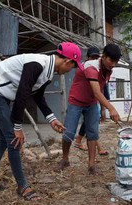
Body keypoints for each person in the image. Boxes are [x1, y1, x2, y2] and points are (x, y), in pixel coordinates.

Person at [0, 42, 83, 200]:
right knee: (14, 140)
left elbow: (38, 96)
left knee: (4, 140)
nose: (70, 71)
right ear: (67, 62)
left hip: (2, 94)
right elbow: (22, 94)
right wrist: (17, 126)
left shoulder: (48, 72)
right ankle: (22, 186)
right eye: (72, 67)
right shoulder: (36, 65)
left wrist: (52, 118)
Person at [55, 44, 122, 175]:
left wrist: (102, 109)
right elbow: (97, 92)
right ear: (103, 57)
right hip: (76, 101)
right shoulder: (91, 67)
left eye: (116, 61)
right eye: (111, 60)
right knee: (68, 132)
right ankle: (65, 159)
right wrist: (111, 109)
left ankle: (91, 165)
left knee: (93, 133)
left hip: (91, 103)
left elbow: (101, 88)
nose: (113, 64)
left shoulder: (108, 69)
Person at [74, 46, 109, 155]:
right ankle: (98, 148)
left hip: (94, 101)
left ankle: (79, 140)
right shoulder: (84, 68)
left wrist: (103, 108)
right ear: (87, 58)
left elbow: (102, 89)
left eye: (96, 58)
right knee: (91, 124)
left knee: (90, 123)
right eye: (92, 57)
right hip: (84, 100)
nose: (94, 60)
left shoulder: (101, 69)